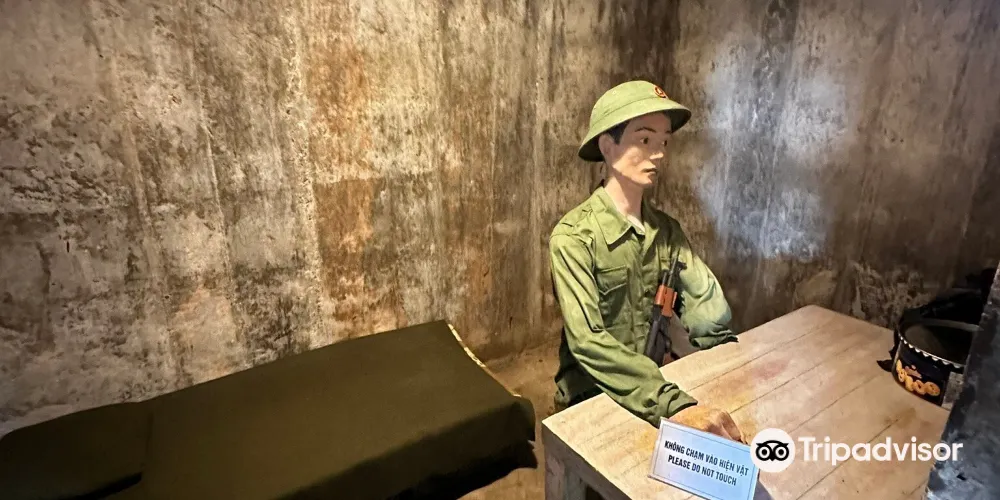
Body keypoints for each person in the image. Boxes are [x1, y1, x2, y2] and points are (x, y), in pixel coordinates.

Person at [549, 80, 744, 442]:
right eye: (644, 140)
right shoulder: (574, 238)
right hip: (590, 397)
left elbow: (708, 311)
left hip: (653, 389)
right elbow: (588, 342)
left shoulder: (667, 232)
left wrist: (730, 365)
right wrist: (671, 403)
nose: (658, 154)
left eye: (664, 142)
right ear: (607, 146)